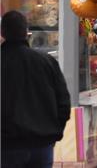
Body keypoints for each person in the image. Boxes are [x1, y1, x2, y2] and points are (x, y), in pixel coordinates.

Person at [1, 11, 71, 167]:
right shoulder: (47, 61)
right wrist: (54, 132)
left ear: (2, 32)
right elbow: (64, 103)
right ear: (26, 32)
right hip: (42, 143)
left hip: (7, 146)